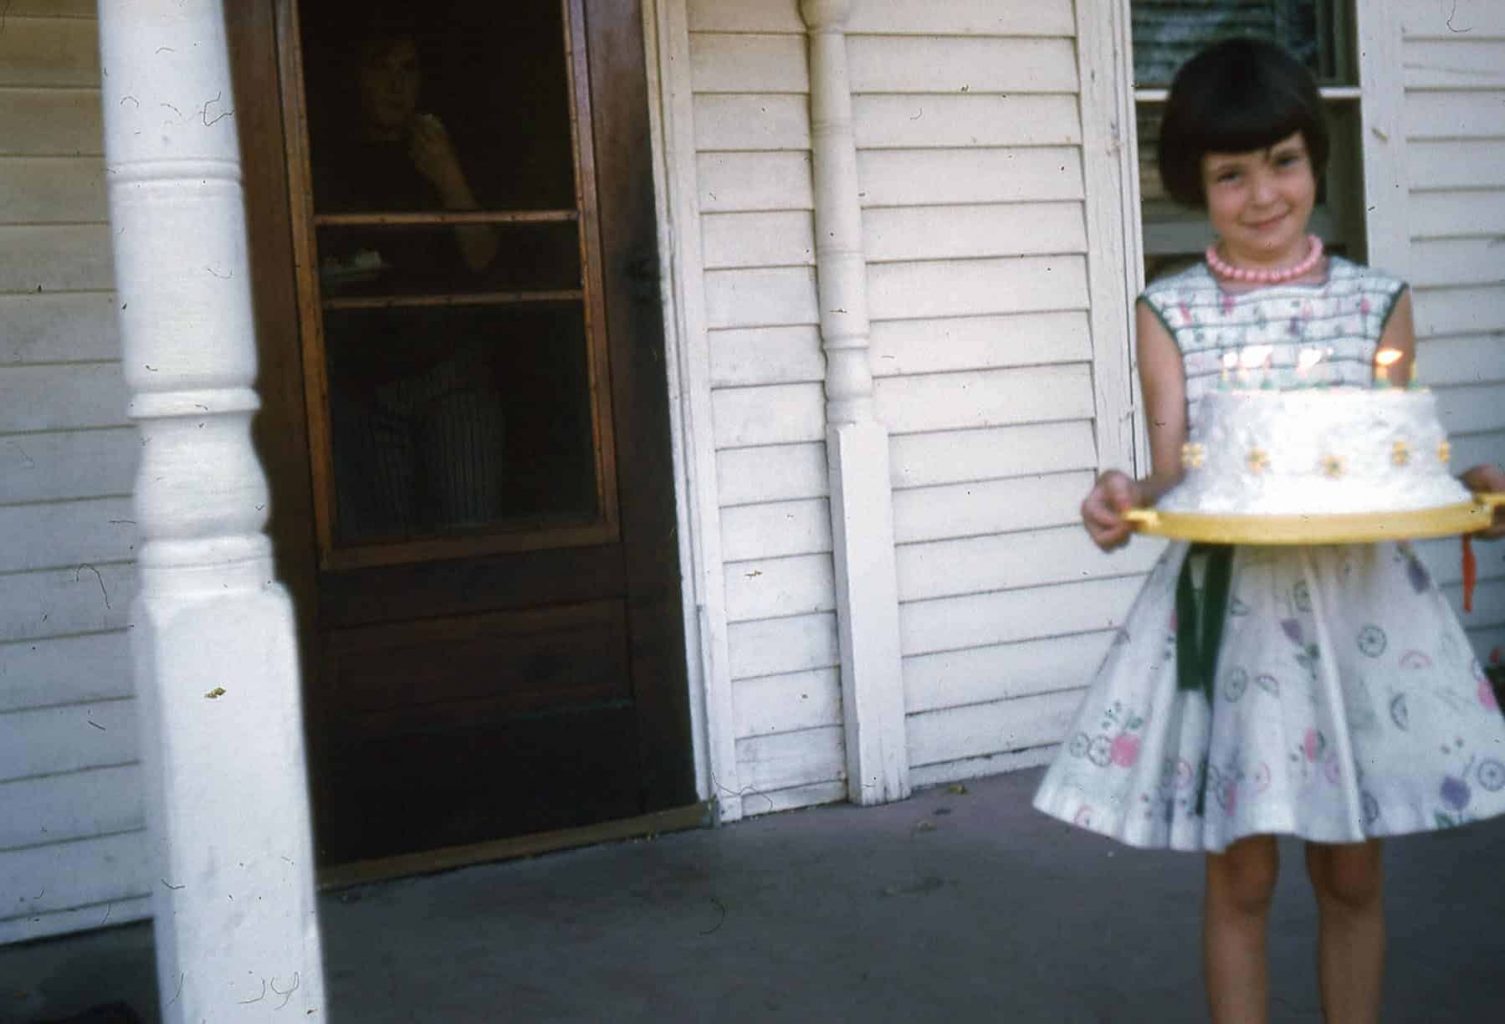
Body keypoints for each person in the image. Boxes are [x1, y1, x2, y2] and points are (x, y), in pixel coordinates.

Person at [1032, 37, 1505, 1024]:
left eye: (1281, 160)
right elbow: (1171, 471)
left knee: (1351, 875)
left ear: (1314, 157)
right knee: (1239, 878)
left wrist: (1468, 487)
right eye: (1229, 173)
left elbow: (1392, 447)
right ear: (1191, 184)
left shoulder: (1375, 302)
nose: (1261, 194)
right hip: (1232, 624)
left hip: (1357, 617)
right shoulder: (1169, 311)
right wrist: (1120, 498)